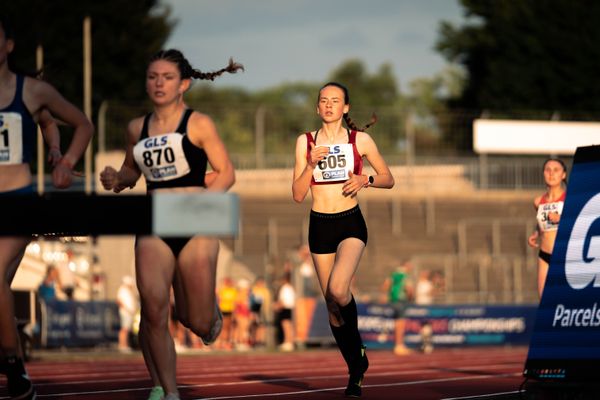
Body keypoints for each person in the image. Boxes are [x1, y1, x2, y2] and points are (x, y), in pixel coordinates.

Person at [99, 49, 241, 400]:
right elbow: (131, 171)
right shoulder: (137, 128)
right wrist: (115, 178)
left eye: (167, 77)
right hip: (155, 222)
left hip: (195, 222)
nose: (158, 83)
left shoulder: (199, 124)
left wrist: (202, 204)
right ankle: (168, 390)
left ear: (184, 85)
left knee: (196, 320)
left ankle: (210, 319)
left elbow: (226, 174)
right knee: (153, 308)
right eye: (152, 77)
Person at [0, 16, 93, 400]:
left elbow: (82, 124)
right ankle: (13, 357)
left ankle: (15, 372)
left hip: (19, 201)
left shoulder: (33, 91)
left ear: (8, 46)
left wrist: (64, 159)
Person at [292, 82, 394, 397]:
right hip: (319, 224)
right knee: (332, 305)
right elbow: (297, 195)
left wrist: (366, 180)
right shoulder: (304, 141)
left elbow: (389, 178)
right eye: (323, 100)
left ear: (345, 107)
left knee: (339, 288)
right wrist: (310, 164)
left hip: (350, 222)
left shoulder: (360, 140)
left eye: (335, 100)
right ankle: (356, 364)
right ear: (317, 107)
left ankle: (355, 362)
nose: (329, 105)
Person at [527, 158, 567, 297]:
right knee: (544, 301)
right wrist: (536, 234)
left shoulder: (569, 199)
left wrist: (561, 219)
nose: (551, 173)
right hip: (544, 256)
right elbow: (543, 225)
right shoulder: (538, 201)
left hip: (565, 256)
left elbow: (579, 225)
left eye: (556, 170)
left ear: (563, 175)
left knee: (565, 300)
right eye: (548, 170)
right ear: (543, 173)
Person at [381, 262, 414, 356]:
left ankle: (398, 345)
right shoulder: (405, 275)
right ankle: (399, 346)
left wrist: (386, 295)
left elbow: (385, 285)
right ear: (406, 265)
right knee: (400, 323)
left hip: (393, 300)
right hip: (401, 301)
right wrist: (411, 297)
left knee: (397, 322)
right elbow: (409, 289)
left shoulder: (393, 274)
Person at [117, 275, 139, 352]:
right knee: (124, 329)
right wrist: (127, 309)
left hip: (129, 313)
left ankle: (125, 345)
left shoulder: (128, 291)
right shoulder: (122, 290)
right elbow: (119, 301)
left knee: (127, 329)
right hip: (126, 313)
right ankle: (122, 345)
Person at [275, 272, 296, 352]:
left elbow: (282, 301)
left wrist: (276, 306)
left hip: (285, 308)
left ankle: (288, 342)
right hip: (290, 308)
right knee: (289, 326)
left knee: (286, 326)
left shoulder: (285, 288)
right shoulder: (291, 288)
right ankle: (290, 342)